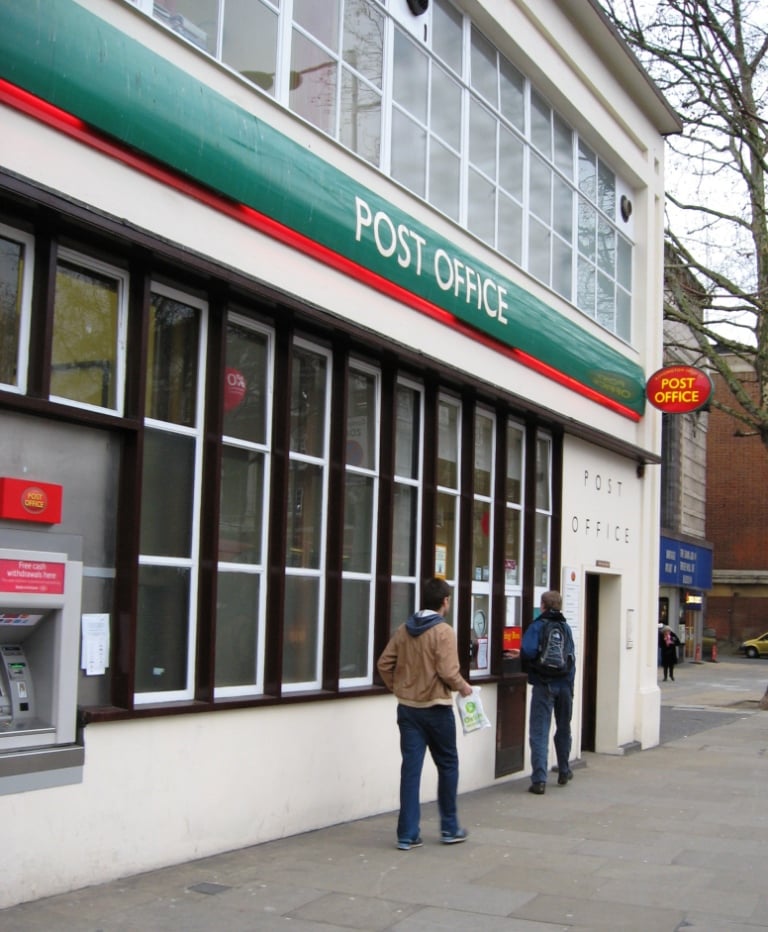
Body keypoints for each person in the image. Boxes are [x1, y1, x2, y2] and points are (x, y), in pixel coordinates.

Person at [377, 577, 473, 850]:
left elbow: (384, 663)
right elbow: (448, 671)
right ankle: (450, 828)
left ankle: (407, 834)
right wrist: (463, 687)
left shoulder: (404, 630)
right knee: (448, 765)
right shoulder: (444, 631)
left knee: (411, 770)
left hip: (408, 709)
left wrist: (399, 687)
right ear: (445, 601)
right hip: (437, 708)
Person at [520, 590, 576, 795]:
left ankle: (539, 780)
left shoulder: (537, 626)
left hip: (543, 684)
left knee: (539, 732)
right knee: (563, 728)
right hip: (565, 685)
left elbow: (527, 650)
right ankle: (564, 770)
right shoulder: (565, 627)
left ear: (543, 605)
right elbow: (571, 657)